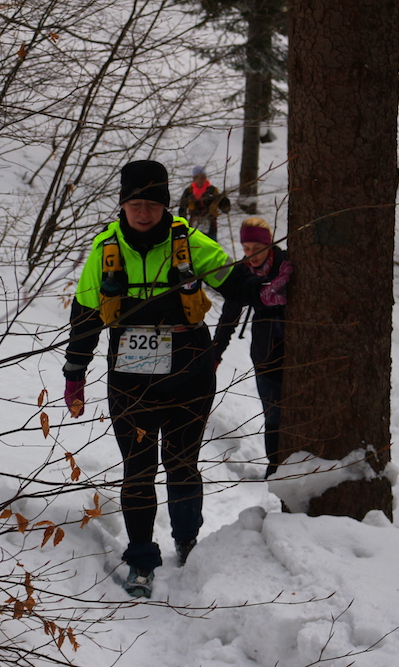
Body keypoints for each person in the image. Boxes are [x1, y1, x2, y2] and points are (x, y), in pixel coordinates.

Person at [62, 160, 286, 598]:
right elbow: (85, 317)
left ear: (166, 204)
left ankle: (187, 541)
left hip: (188, 371)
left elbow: (236, 282)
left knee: (182, 463)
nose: (143, 212)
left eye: (152, 204)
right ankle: (142, 560)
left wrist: (269, 281)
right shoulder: (106, 250)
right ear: (123, 205)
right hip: (130, 379)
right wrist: (75, 374)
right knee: (138, 469)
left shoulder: (188, 243)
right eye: (135, 204)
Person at [212, 217, 292, 480]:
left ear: (269, 244)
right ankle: (275, 466)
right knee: (273, 413)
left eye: (257, 248)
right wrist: (215, 353)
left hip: (294, 348)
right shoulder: (242, 274)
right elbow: (229, 317)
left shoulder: (286, 264)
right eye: (246, 248)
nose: (251, 254)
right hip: (265, 353)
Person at [177, 165, 231, 240]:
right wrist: (184, 225)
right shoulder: (189, 192)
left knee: (210, 245)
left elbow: (225, 208)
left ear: (205, 178)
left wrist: (224, 200)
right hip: (194, 225)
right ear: (193, 179)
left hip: (211, 226)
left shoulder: (212, 190)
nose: (200, 180)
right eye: (197, 178)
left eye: (202, 177)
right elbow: (182, 209)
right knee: (195, 245)